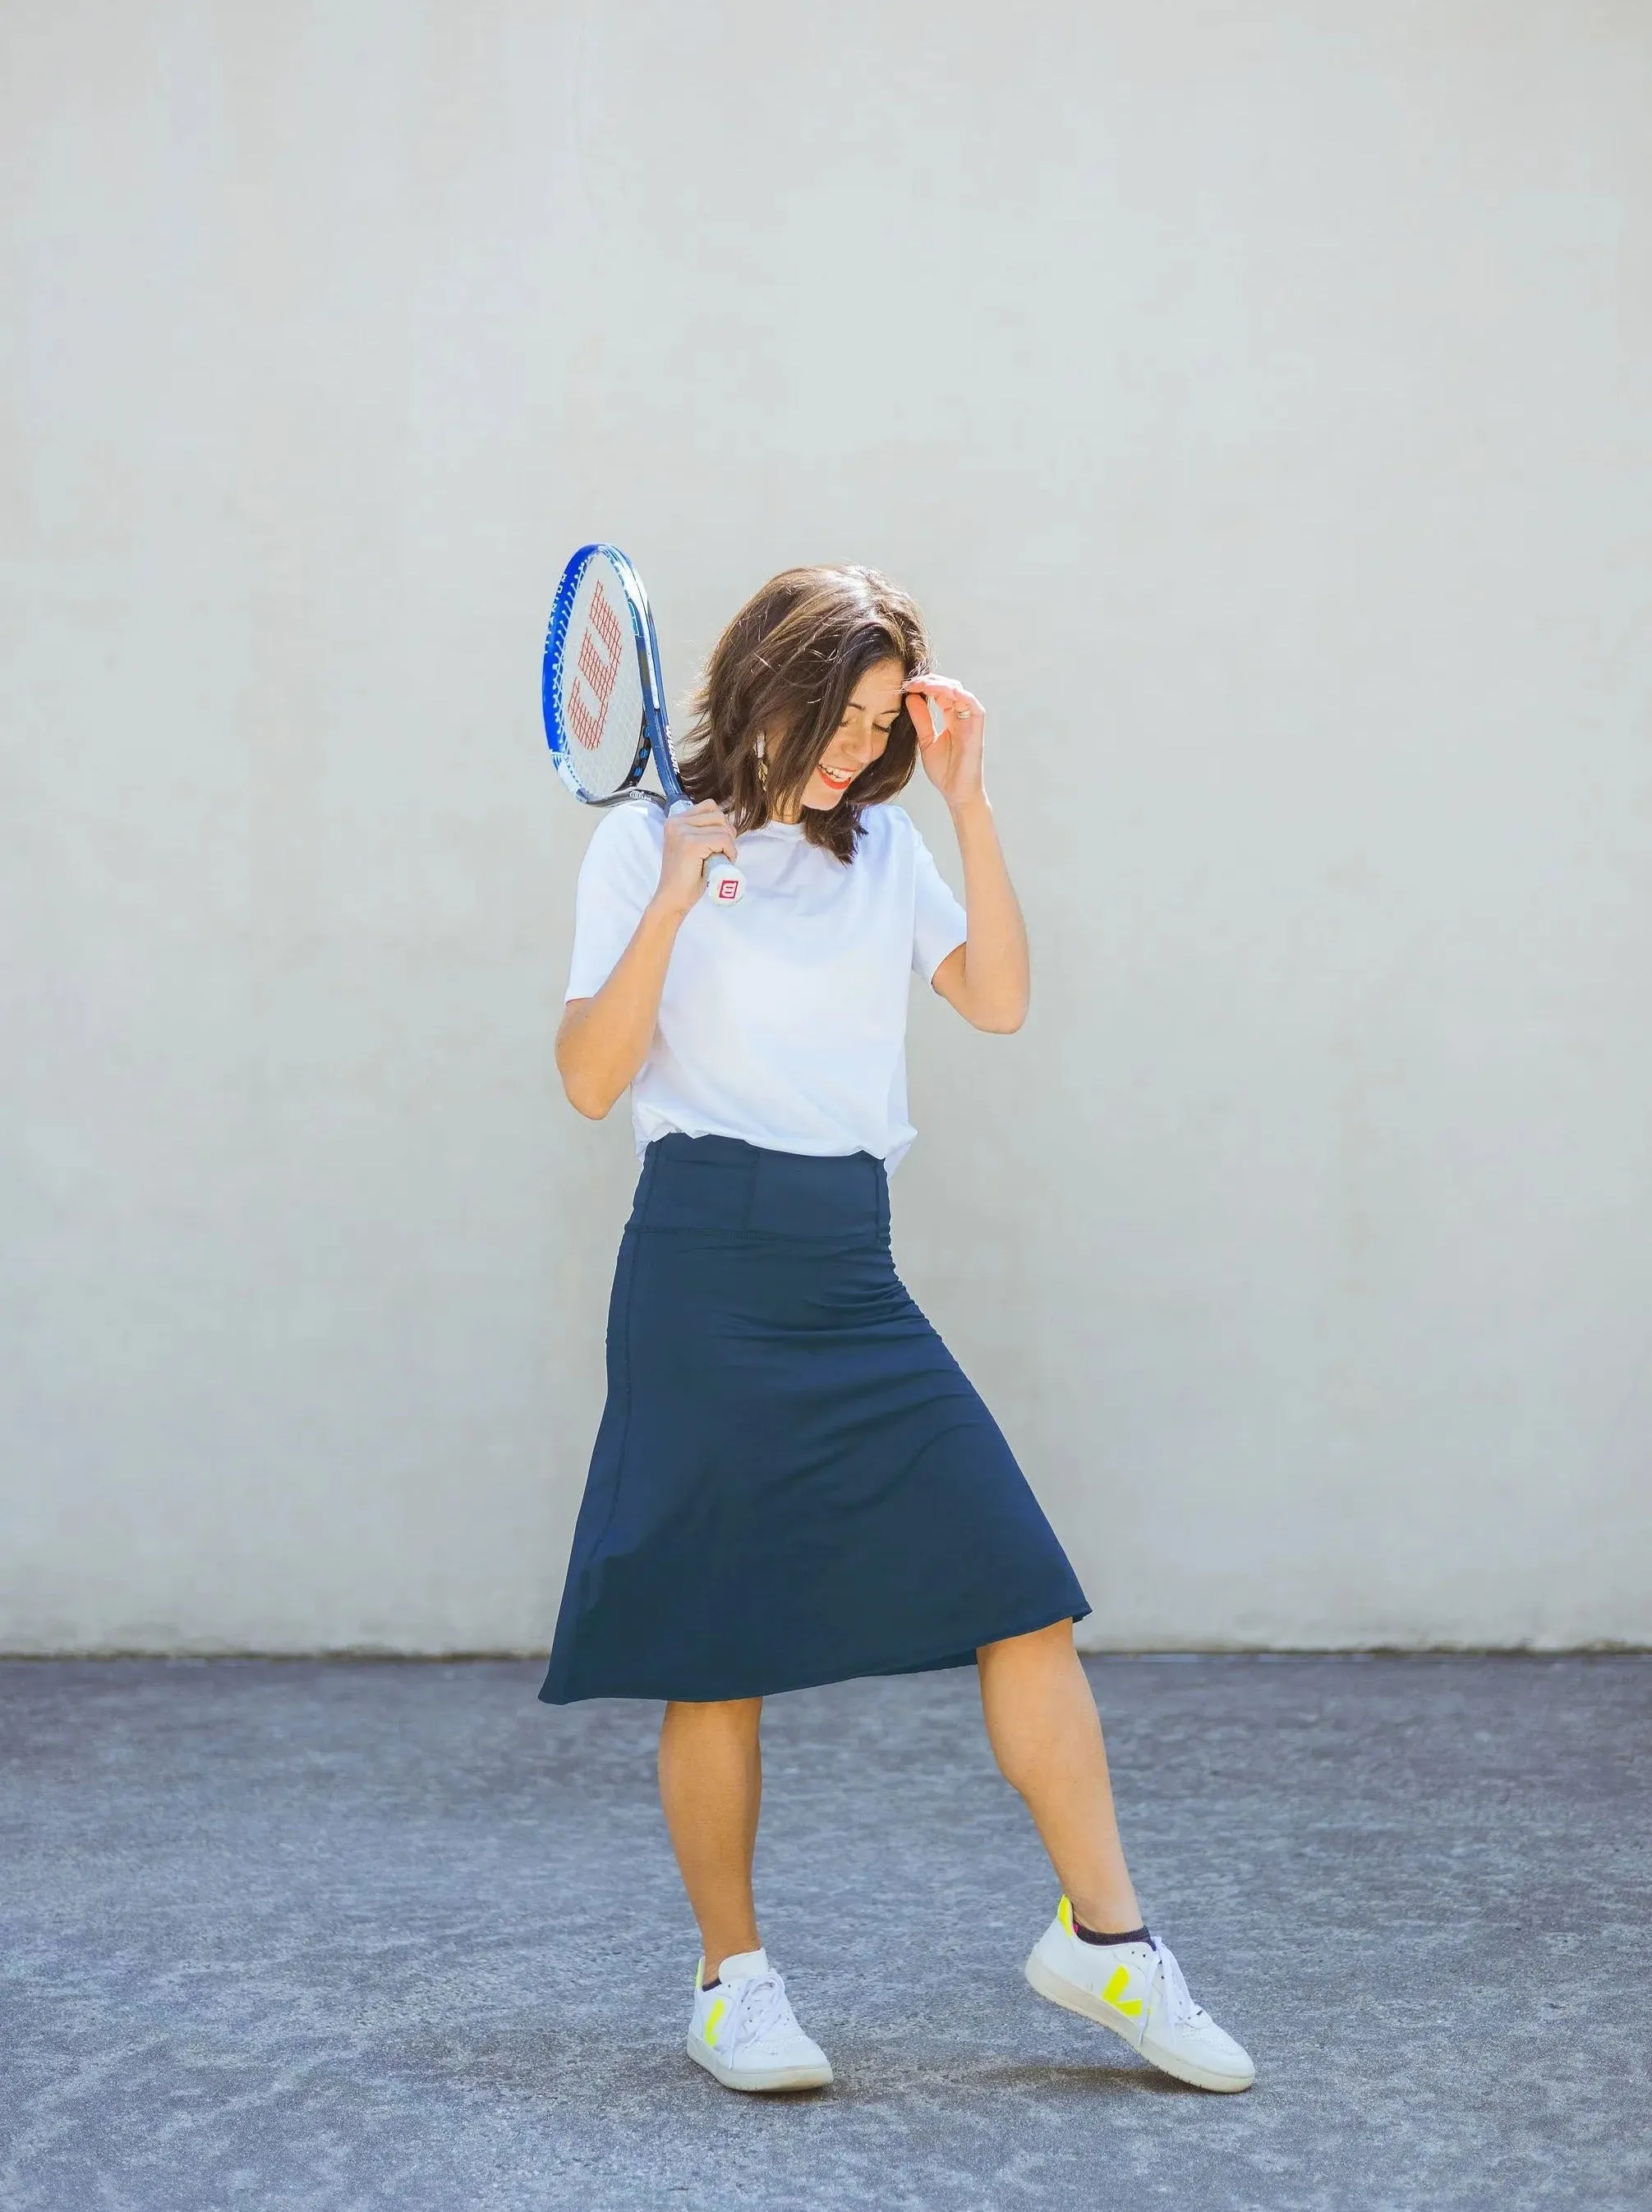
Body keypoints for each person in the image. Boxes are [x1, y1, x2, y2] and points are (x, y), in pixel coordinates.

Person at [541, 565, 1254, 2096]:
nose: (857, 750)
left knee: (1021, 1593)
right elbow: (593, 1079)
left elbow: (993, 1000)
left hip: (849, 1271)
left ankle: (1108, 1946)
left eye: (882, 726)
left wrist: (975, 807)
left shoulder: (887, 849)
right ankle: (733, 1984)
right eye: (837, 716)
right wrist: (672, 892)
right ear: (763, 686)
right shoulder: (642, 843)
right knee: (710, 1645)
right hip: (701, 1267)